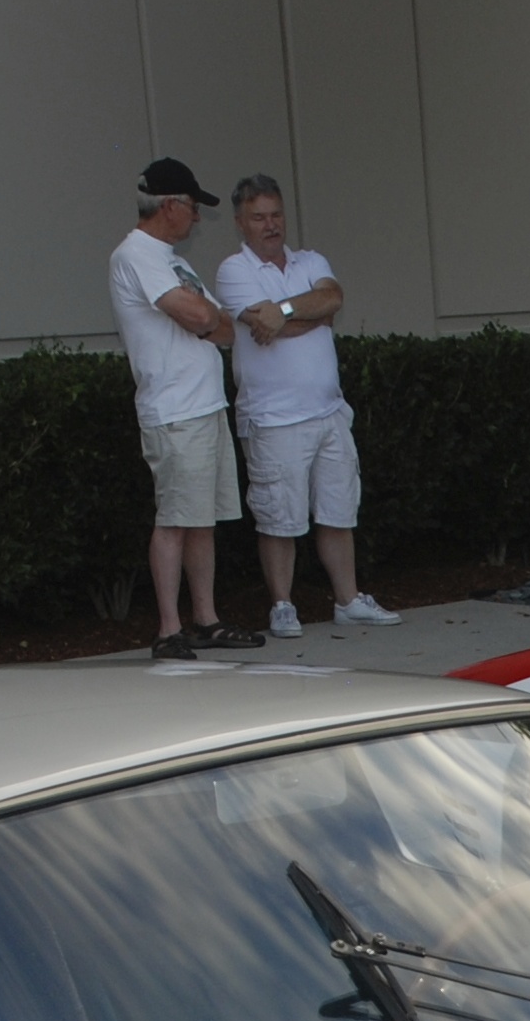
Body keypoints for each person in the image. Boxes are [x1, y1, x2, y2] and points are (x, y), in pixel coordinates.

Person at [211, 177, 399, 636]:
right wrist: (308, 314)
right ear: (240, 223)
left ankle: (348, 600)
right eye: (259, 217)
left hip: (329, 411)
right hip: (273, 418)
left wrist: (284, 312)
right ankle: (282, 605)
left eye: (276, 214)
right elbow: (265, 321)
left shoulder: (311, 260)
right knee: (279, 518)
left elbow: (332, 298)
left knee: (338, 511)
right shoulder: (233, 270)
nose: (270, 225)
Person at [108, 158, 251, 659]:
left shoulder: (171, 261)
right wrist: (202, 317)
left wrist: (203, 318)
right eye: (192, 206)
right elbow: (197, 313)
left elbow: (225, 327)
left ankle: (205, 619)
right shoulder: (136, 254)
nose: (195, 216)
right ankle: (169, 629)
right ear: (169, 205)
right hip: (174, 410)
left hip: (205, 405)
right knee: (174, 519)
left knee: (201, 519)